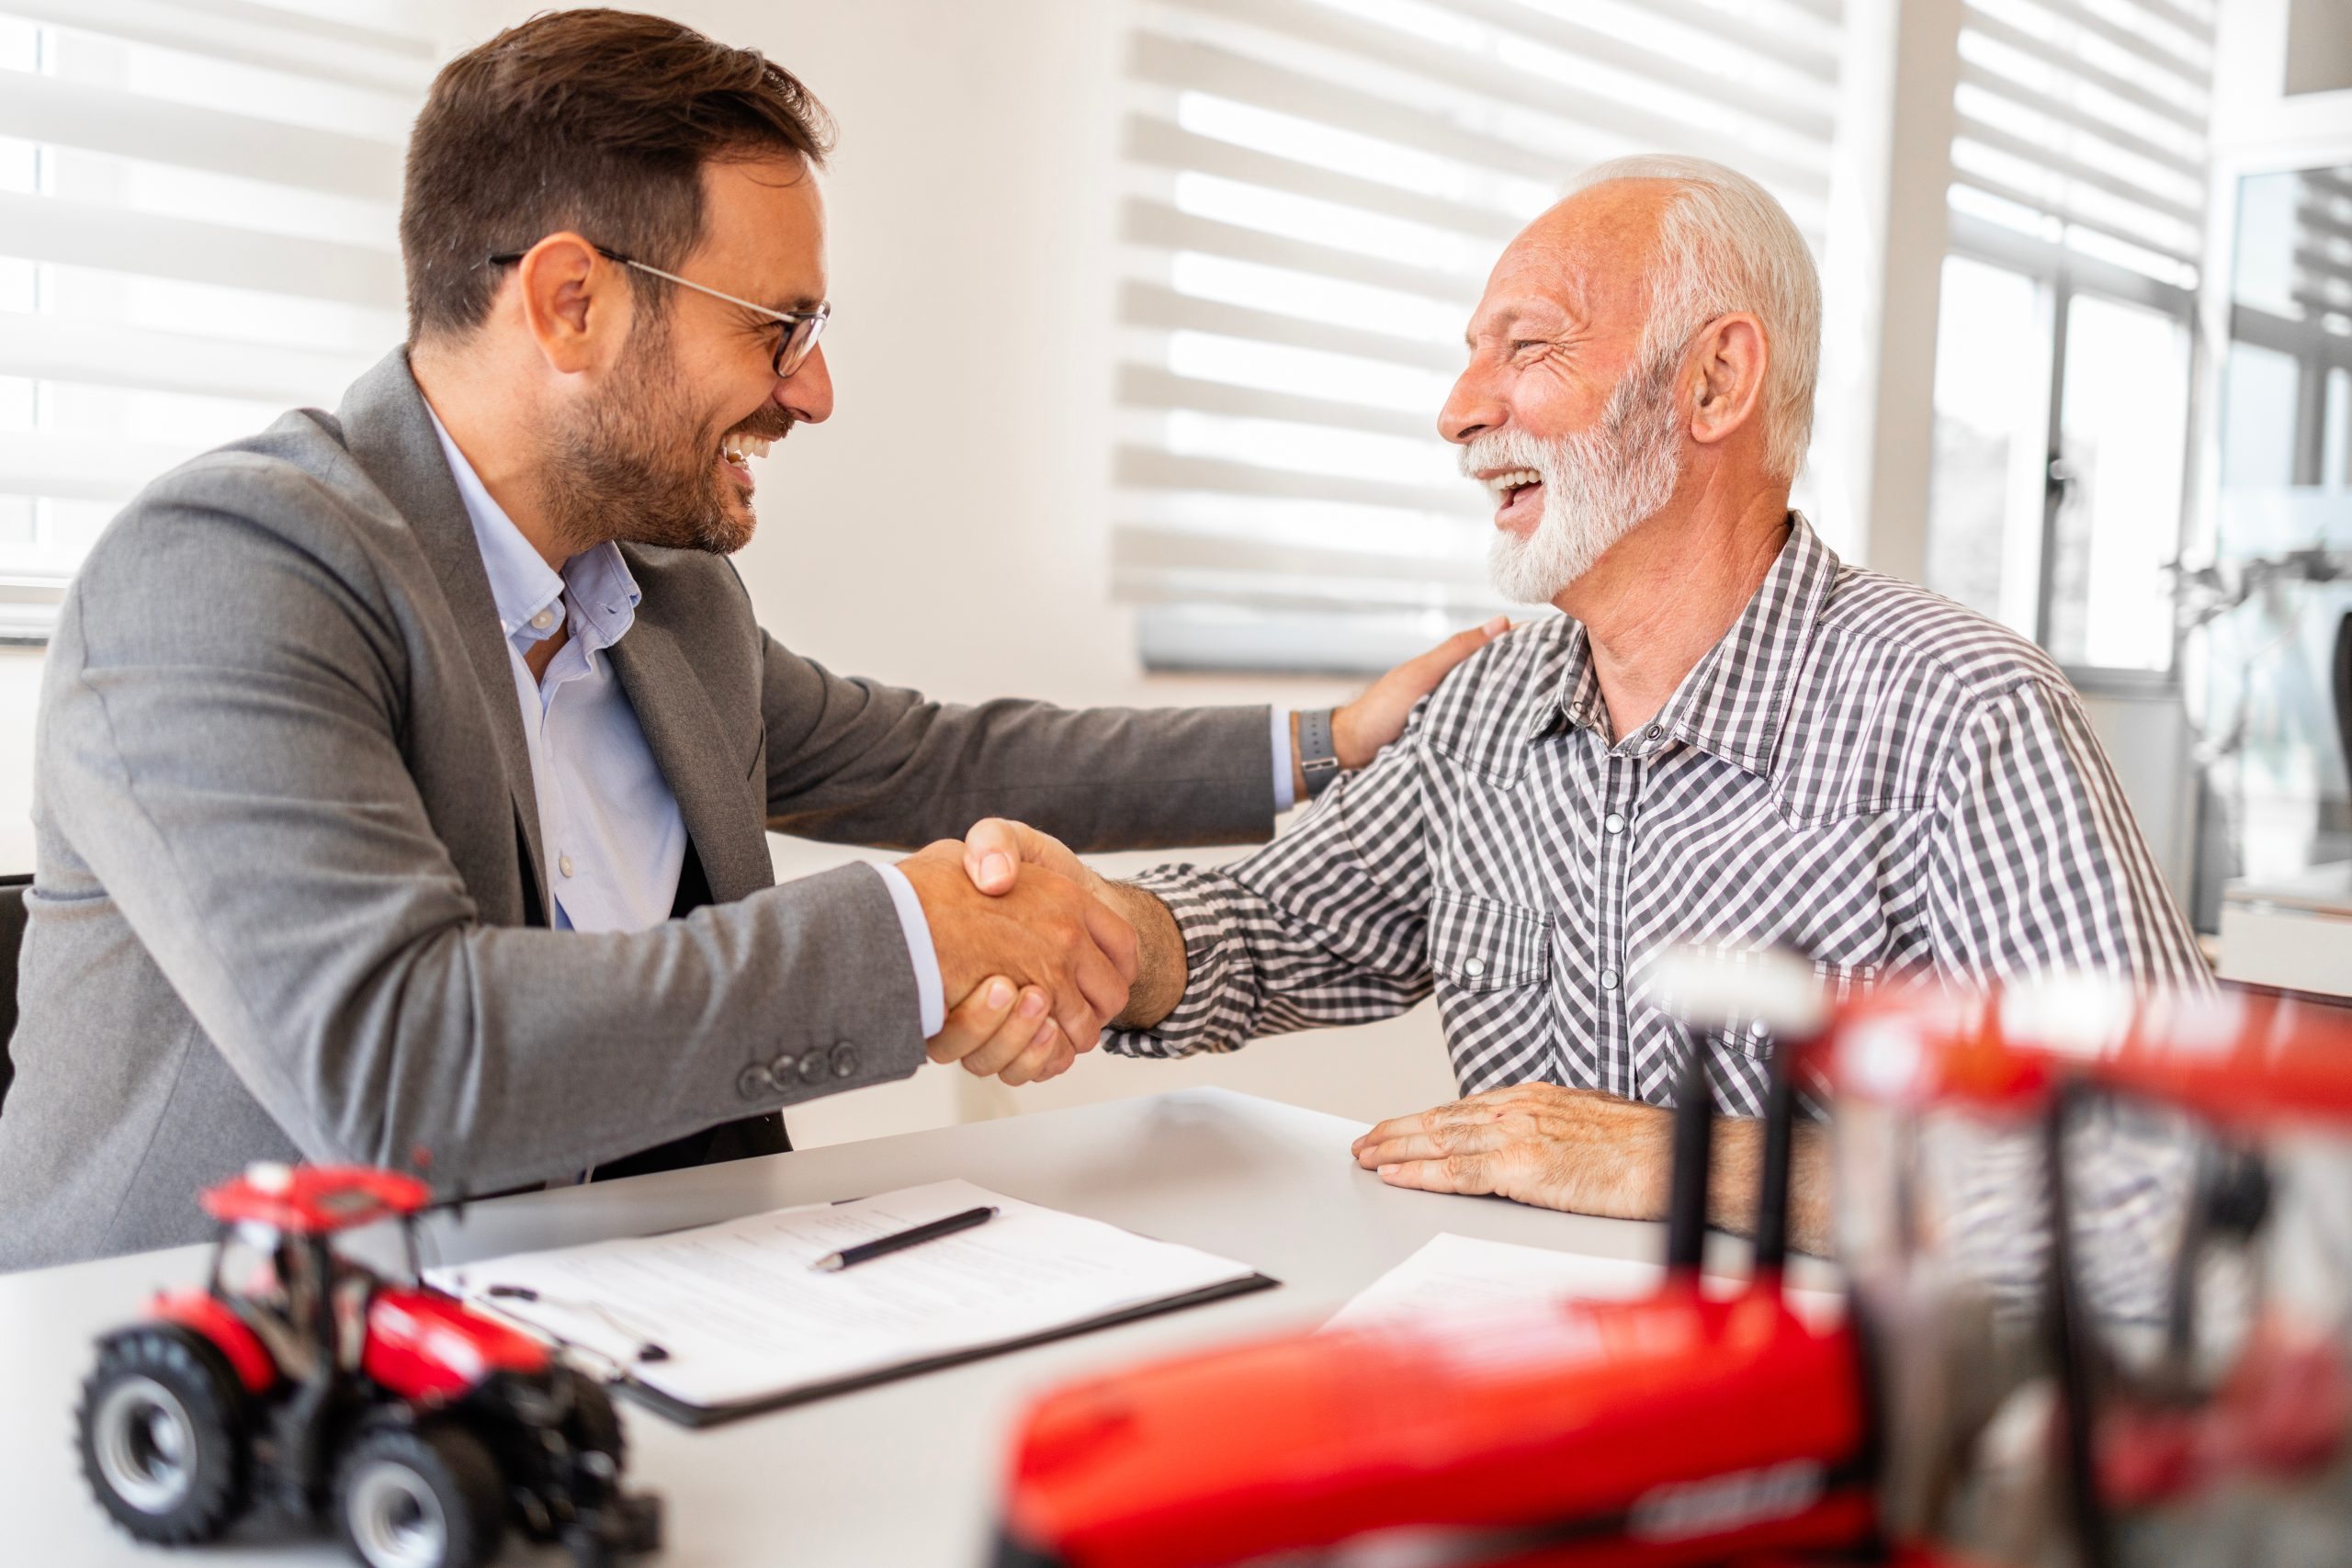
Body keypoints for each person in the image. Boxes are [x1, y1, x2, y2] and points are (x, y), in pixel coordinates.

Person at [0, 9, 1493, 1270]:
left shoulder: (667, 601)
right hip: (196, 1397)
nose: (816, 389)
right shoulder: (228, 572)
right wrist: (916, 937)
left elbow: (932, 754)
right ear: (571, 303)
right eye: (773, 327)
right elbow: (405, 1065)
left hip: (622, 1333)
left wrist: (1324, 746)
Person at [939, 154, 2210, 1257]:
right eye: (1467, 358)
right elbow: (1275, 930)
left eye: (1526, 346)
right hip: (1536, 1400)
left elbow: (2164, 1174)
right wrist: (1087, 929)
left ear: (1714, 384)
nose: (1457, 412)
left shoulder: (1961, 714)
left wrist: (1684, 1163)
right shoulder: (1488, 707)